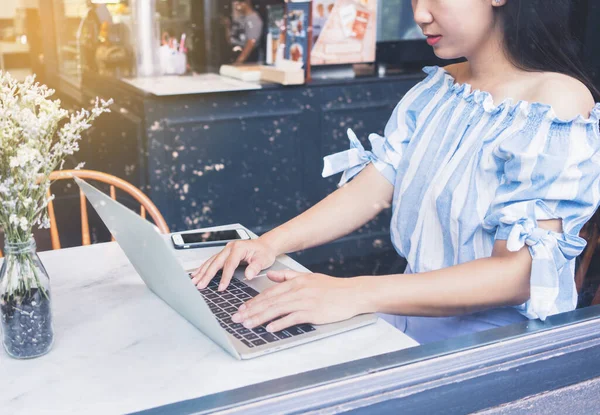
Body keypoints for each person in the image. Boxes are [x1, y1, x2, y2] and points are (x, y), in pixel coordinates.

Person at [192, 0, 600, 344]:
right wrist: (268, 243)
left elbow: (517, 276)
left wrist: (350, 292)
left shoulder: (556, 102)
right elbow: (370, 190)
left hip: (495, 345)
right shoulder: (439, 87)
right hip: (405, 312)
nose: (420, 14)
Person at [222, 0, 264, 64]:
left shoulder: (253, 19)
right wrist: (227, 27)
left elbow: (251, 43)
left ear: (245, 3)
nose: (235, 5)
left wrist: (239, 61)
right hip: (234, 55)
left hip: (246, 59)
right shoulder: (240, 18)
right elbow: (231, 39)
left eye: (237, 3)